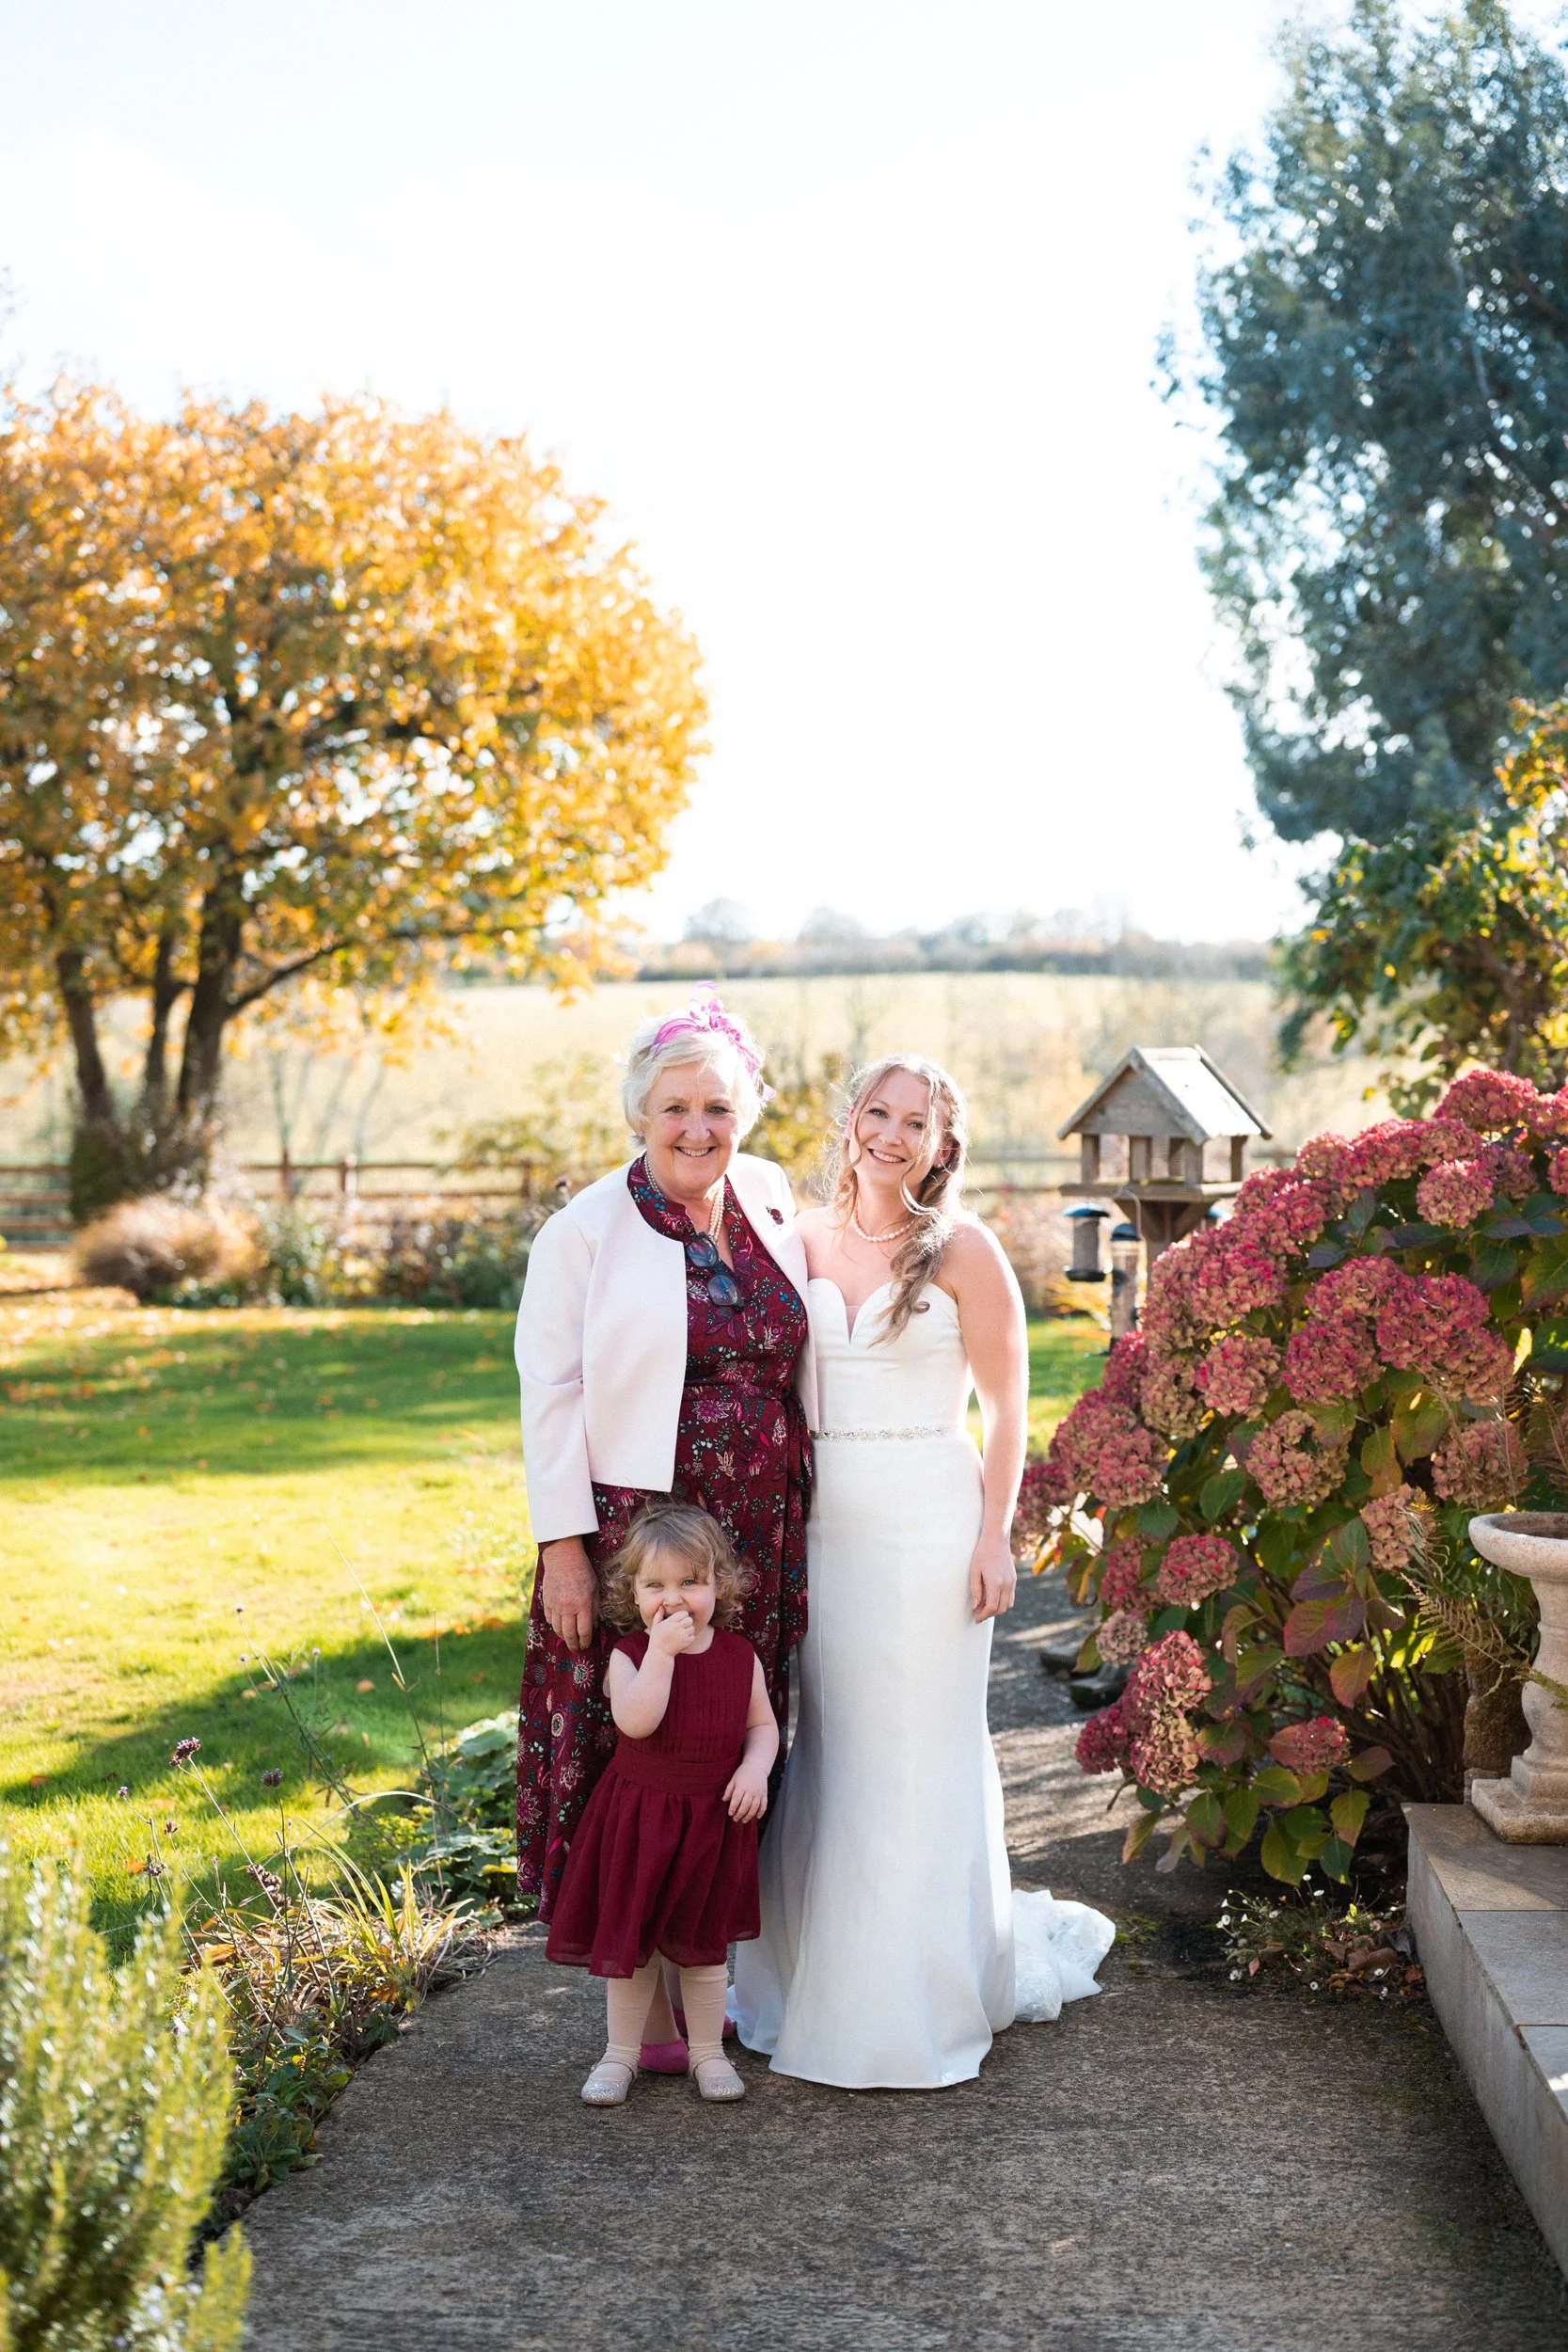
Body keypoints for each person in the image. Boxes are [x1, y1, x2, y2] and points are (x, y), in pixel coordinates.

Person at [734, 1054, 1114, 2088]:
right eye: (878, 1111)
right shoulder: (795, 1239)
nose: (891, 1135)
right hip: (823, 1532)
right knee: (834, 1755)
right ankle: (812, 1977)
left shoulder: (966, 1252)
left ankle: (913, 2000)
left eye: (917, 1122)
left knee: (915, 1757)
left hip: (931, 1527)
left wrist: (995, 1536)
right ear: (848, 1118)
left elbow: (1004, 1411)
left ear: (943, 1146)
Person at [515, 988, 813, 2067]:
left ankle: (713, 1987)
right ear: (639, 1112)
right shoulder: (585, 1227)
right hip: (634, 1534)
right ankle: (636, 2013)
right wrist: (561, 1544)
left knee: (724, 1746)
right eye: (676, 1107)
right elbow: (547, 1387)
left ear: (747, 1112)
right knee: (627, 1759)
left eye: (718, 1107)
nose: (698, 1128)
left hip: (757, 1535)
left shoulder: (772, 1197)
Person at [546, 1503, 778, 2105]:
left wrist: (756, 1769)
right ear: (633, 1592)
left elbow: (763, 1727)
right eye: (656, 1585)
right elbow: (636, 1721)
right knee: (637, 1947)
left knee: (703, 1949)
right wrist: (661, 1655)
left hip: (710, 1822)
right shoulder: (629, 1656)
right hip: (643, 1822)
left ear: (718, 1586)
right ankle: (619, 2055)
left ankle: (707, 2054)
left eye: (689, 1583)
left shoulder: (738, 1657)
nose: (672, 1599)